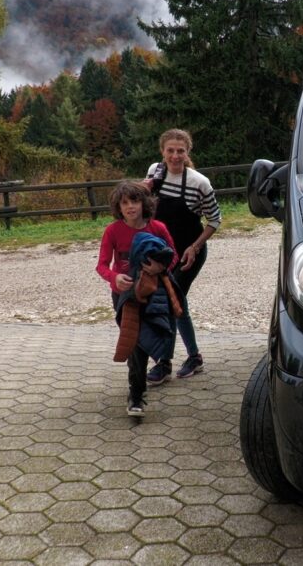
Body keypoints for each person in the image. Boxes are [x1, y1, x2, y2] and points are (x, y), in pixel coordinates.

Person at [143, 128, 221, 384]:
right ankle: (193, 357)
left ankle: (164, 362)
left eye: (180, 151)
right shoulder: (155, 172)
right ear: (162, 151)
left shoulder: (199, 183)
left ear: (188, 152)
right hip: (162, 253)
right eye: (170, 151)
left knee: (171, 301)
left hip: (189, 253)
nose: (175, 156)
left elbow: (214, 220)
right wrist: (143, 190)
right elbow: (146, 208)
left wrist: (195, 247)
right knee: (175, 304)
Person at [96, 181, 177, 416]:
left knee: (149, 337)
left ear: (144, 203)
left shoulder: (157, 228)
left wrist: (159, 267)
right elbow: (101, 265)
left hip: (153, 293)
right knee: (134, 341)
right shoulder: (112, 231)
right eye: (125, 203)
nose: (130, 207)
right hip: (124, 295)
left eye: (135, 201)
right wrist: (115, 277)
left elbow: (173, 256)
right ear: (118, 207)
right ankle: (136, 393)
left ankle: (149, 379)